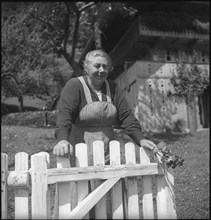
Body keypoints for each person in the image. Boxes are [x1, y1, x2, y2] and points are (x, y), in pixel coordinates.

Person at [53, 49, 157, 164]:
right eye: (97, 66)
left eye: (105, 67)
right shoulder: (75, 85)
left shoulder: (113, 87)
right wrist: (62, 140)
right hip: (80, 152)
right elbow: (64, 114)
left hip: (109, 151)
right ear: (86, 68)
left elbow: (126, 116)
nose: (101, 70)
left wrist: (140, 139)